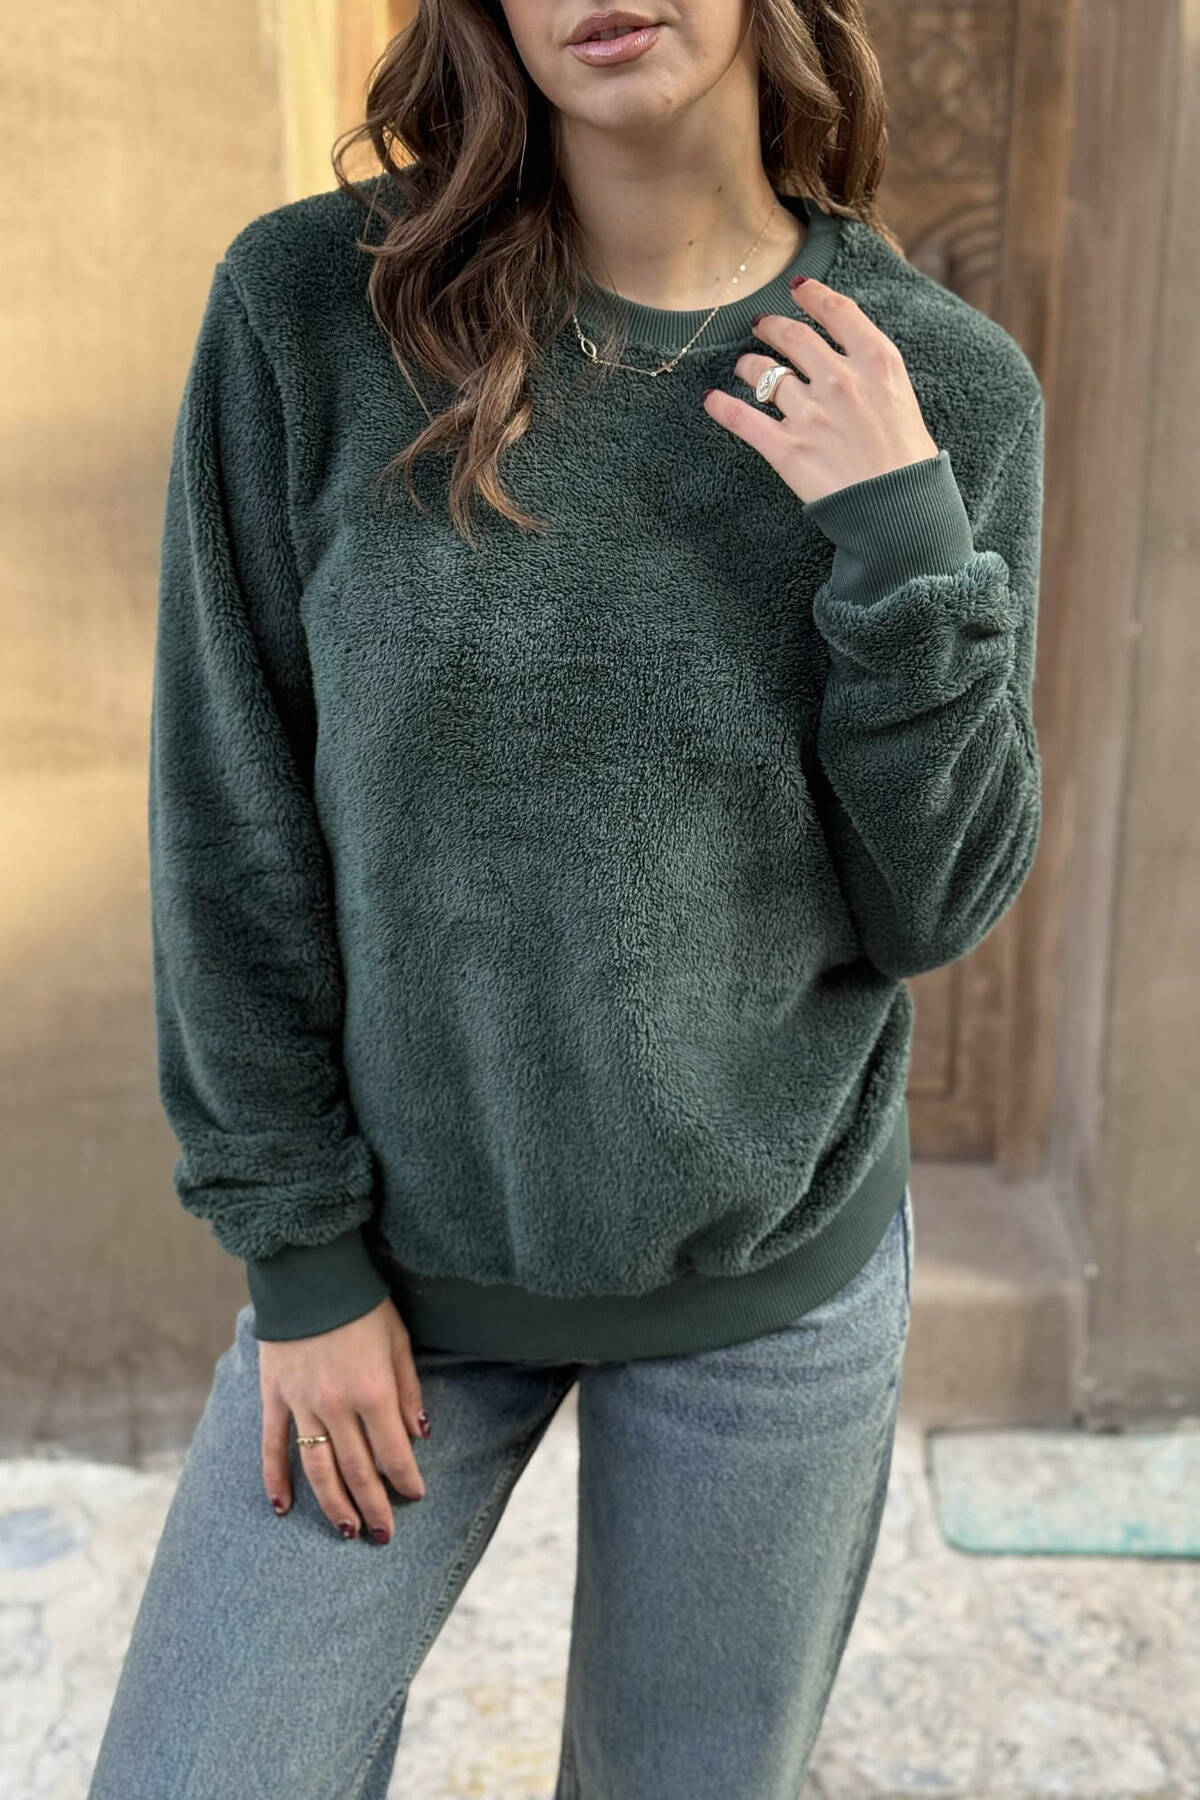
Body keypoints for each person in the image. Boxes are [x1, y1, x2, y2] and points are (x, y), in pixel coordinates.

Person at [88, 0, 1044, 1793]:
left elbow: (936, 908)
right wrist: (300, 1259)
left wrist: (904, 542)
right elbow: (227, 810)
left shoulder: (935, 385)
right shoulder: (313, 313)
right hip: (394, 1269)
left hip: (767, 1278)